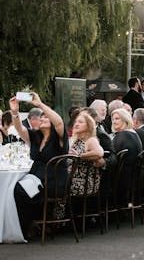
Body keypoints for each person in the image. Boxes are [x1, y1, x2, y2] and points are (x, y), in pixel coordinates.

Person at [10, 93, 69, 238]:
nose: (42, 118)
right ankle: (25, 227)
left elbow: (59, 122)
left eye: (45, 117)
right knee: (14, 189)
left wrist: (40, 104)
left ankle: (25, 228)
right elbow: (19, 129)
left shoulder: (59, 139)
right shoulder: (36, 137)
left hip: (53, 182)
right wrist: (15, 112)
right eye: (40, 117)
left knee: (19, 190)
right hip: (35, 180)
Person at [68, 113, 104, 196]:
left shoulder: (90, 140)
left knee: (54, 187)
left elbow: (99, 152)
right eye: (76, 122)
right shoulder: (74, 140)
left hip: (83, 182)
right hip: (73, 178)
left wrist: (79, 156)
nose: (76, 124)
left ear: (88, 125)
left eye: (80, 122)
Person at [111, 108, 142, 199]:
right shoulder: (133, 133)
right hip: (134, 176)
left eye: (117, 119)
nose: (114, 121)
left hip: (123, 177)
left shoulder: (122, 135)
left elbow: (112, 155)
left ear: (125, 120)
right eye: (113, 119)